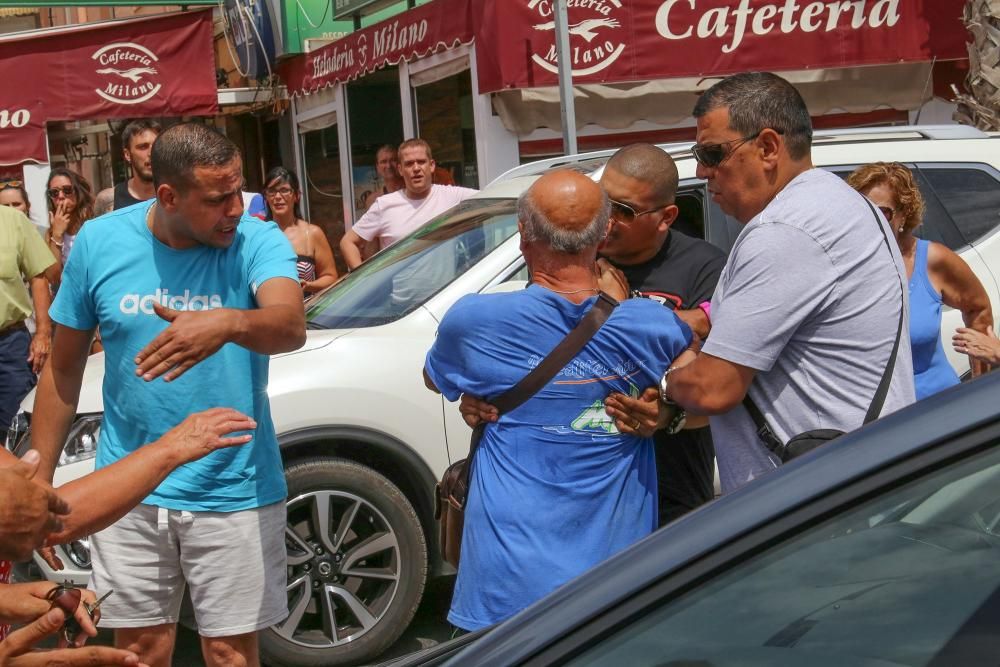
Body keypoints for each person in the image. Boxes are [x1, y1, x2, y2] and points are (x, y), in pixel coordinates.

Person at [29, 122, 306, 667]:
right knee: (140, 653)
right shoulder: (100, 244)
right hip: (127, 489)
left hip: (233, 488)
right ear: (168, 196)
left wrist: (224, 323)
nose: (235, 207)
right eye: (217, 198)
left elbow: (289, 324)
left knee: (229, 654)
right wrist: (38, 481)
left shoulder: (257, 238)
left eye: (237, 191)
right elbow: (62, 373)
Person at [605, 71, 915, 494]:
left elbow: (715, 388)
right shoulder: (842, 203)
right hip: (850, 480)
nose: (701, 170)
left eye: (713, 154)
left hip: (811, 503)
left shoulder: (787, 230)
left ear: (768, 147)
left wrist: (666, 383)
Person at [423, 169, 693, 632]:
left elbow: (435, 378)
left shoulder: (473, 321)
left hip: (506, 583)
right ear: (605, 233)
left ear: (523, 235)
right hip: (616, 579)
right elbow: (708, 388)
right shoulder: (654, 326)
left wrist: (475, 392)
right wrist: (667, 413)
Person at [597, 143, 726, 523]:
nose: (606, 219)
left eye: (624, 211)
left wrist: (614, 311)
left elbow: (715, 375)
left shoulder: (706, 267)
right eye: (602, 201)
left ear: (666, 216)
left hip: (673, 491)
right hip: (589, 489)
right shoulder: (575, 259)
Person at [846, 162, 993, 399]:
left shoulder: (932, 260)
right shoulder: (840, 264)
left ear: (904, 214)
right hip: (870, 423)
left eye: (882, 212)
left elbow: (978, 308)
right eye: (862, 209)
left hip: (937, 411)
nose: (871, 219)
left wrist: (980, 389)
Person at [340, 139, 478, 270]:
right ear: (400, 169)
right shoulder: (384, 205)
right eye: (409, 164)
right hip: (399, 295)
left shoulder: (452, 196)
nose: (416, 168)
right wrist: (365, 282)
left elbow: (494, 197)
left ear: (432, 166)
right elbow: (347, 242)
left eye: (421, 162)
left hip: (448, 293)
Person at [0, 205, 57, 438]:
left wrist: (43, 333)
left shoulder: (13, 220)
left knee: (18, 428)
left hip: (9, 344)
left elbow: (38, 277)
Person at [262, 166, 339, 297]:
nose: (278, 197)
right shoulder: (259, 234)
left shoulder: (311, 233)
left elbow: (330, 277)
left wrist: (309, 285)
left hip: (304, 310)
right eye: (272, 191)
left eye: (284, 190)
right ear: (266, 197)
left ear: (297, 196)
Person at [95, 120, 162, 215]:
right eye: (143, 147)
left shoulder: (178, 195)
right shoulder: (109, 200)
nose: (151, 153)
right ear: (127, 154)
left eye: (157, 145)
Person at [44, 167, 95, 282]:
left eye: (67, 190)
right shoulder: (50, 234)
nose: (61, 196)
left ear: (78, 191)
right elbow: (53, 277)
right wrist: (57, 235)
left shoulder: (94, 221)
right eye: (54, 192)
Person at [362, 143, 404, 210]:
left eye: (393, 160)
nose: (388, 166)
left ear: (400, 163)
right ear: (377, 167)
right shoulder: (373, 201)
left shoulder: (413, 192)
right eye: (383, 162)